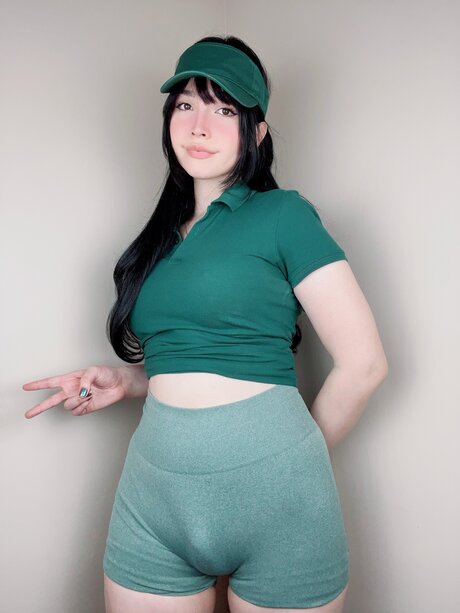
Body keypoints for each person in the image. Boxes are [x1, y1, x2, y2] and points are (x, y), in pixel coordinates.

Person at [23, 35, 388, 613]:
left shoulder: (284, 215)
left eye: (224, 110)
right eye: (186, 105)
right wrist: (128, 380)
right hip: (154, 499)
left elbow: (364, 365)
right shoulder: (158, 240)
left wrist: (284, 462)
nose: (199, 126)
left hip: (282, 502)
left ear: (256, 133)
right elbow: (192, 356)